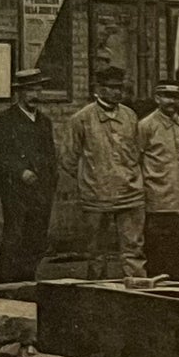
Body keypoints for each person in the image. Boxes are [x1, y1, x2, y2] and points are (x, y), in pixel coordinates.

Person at [61, 64, 146, 279]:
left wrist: (131, 176)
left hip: (130, 193)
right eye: (112, 87)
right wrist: (90, 178)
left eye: (120, 87)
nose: (117, 92)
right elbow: (68, 159)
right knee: (96, 251)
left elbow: (138, 151)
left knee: (133, 249)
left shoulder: (130, 116)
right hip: (96, 195)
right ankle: (97, 291)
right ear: (99, 89)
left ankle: (136, 289)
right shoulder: (81, 119)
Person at [0, 68, 58, 282]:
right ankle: (8, 283)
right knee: (15, 235)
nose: (34, 95)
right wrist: (20, 171)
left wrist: (50, 179)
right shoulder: (5, 119)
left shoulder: (44, 121)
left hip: (41, 188)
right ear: (19, 93)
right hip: (16, 188)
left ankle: (27, 280)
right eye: (29, 90)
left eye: (38, 90)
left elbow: (50, 154)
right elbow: (0, 154)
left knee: (37, 237)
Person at [140, 80, 179, 282]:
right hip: (157, 201)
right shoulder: (146, 126)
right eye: (166, 97)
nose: (171, 102)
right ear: (157, 98)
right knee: (158, 252)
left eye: (176, 97)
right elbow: (135, 160)